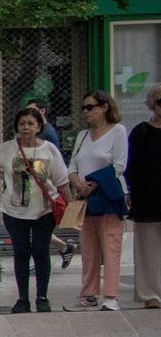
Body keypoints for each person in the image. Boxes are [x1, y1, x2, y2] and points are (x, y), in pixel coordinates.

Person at [0, 108, 72, 313]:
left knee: (40, 251)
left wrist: (71, 204)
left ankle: (42, 297)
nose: (26, 127)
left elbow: (62, 180)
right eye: (22, 124)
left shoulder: (49, 150)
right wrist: (3, 175)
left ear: (39, 126)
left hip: (44, 211)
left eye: (31, 123)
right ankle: (22, 299)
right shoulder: (8, 148)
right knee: (21, 253)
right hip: (14, 212)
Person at [64, 90, 129, 312]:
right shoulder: (83, 135)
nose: (86, 112)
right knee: (89, 248)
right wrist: (77, 182)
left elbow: (119, 165)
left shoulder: (117, 131)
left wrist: (93, 183)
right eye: (84, 107)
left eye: (90, 107)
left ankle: (111, 295)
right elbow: (72, 164)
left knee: (110, 246)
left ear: (104, 107)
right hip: (85, 198)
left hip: (107, 196)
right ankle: (88, 293)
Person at [128, 83, 161, 309]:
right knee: (147, 247)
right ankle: (150, 294)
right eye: (159, 101)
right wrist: (130, 191)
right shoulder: (140, 131)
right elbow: (131, 166)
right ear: (151, 104)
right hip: (147, 196)